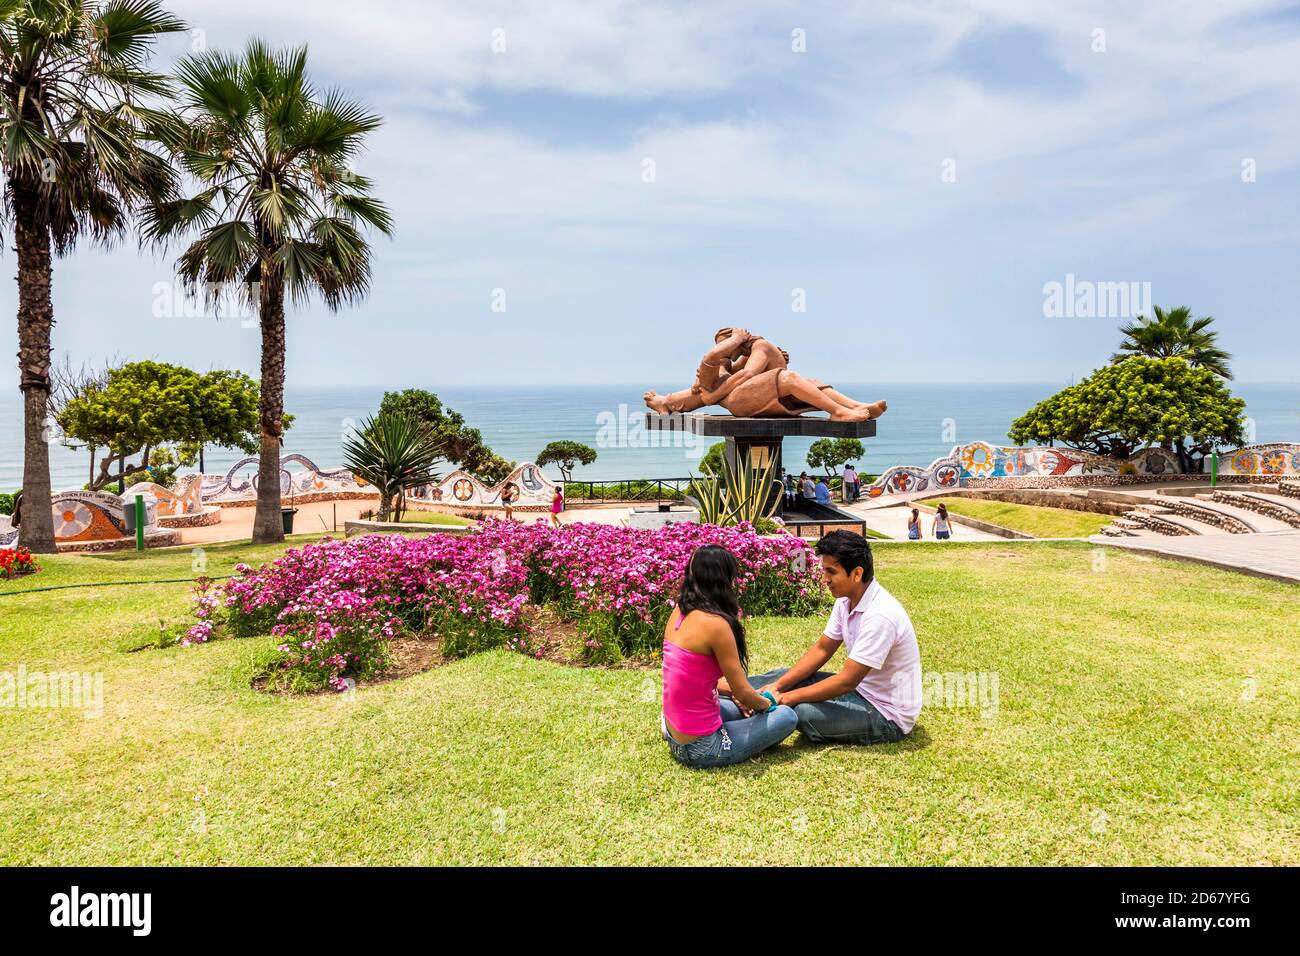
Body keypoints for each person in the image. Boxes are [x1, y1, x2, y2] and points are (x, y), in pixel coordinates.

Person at [721, 530, 921, 745]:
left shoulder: (881, 614)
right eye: (823, 570)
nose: (824, 579)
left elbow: (847, 681)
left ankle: (743, 710)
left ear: (857, 573)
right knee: (782, 676)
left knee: (802, 710)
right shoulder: (846, 600)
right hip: (858, 692)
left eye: (831, 572)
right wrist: (778, 687)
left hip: (885, 714)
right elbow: (823, 649)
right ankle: (739, 697)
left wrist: (785, 698)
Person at [661, 545, 799, 768]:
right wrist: (767, 704)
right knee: (786, 717)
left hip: (675, 734)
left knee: (736, 709)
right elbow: (743, 691)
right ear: (723, 580)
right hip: (702, 748)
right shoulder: (716, 625)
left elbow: (696, 678)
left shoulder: (679, 612)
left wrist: (744, 698)